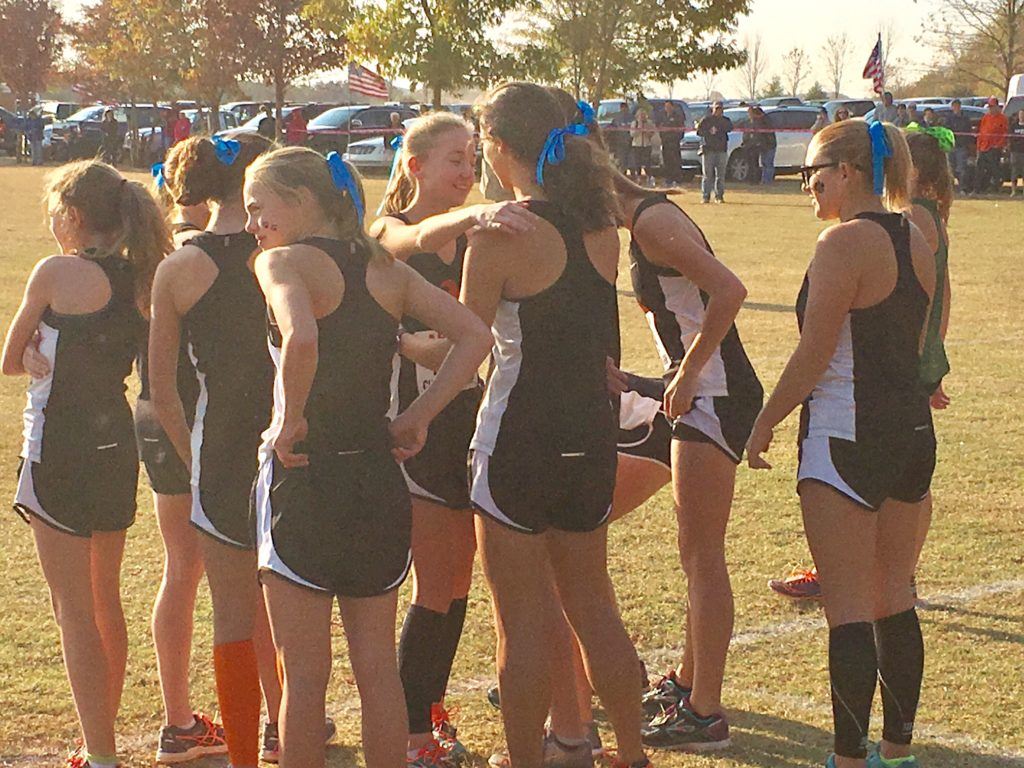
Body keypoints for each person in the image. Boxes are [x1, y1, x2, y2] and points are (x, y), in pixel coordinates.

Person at [243, 146, 492, 768]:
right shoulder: (384, 267)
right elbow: (474, 337)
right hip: (378, 479)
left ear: (301, 202)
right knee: (377, 670)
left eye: (258, 209)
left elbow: (301, 335)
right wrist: (417, 417)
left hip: (304, 477)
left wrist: (288, 418)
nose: (251, 225)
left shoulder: (280, 261)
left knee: (304, 678)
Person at [465, 81, 649, 768]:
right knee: (594, 608)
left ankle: (524, 760)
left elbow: (465, 342)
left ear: (500, 146)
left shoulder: (502, 233)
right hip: (589, 437)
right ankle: (632, 756)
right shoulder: (602, 228)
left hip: (518, 440)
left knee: (523, 627)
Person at [747, 120, 936, 768]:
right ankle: (897, 751)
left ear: (848, 172)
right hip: (911, 432)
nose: (808, 185)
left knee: (850, 605)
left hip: (846, 434)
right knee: (895, 596)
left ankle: (849, 759)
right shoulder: (919, 230)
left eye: (813, 174)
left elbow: (813, 353)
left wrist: (764, 418)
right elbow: (915, 339)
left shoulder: (842, 242)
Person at [370, 111, 538, 765]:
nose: (469, 173)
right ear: (414, 168)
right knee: (435, 583)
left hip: (469, 418)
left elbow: (480, 334)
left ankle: (431, 716)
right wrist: (470, 219)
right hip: (416, 428)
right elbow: (409, 254)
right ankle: (414, 737)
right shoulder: (391, 230)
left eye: (473, 159)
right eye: (454, 161)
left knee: (461, 581)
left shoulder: (480, 242)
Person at [2, 160, 168, 768]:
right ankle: (99, 738)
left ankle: (100, 753)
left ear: (72, 217)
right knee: (106, 600)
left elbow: (9, 360)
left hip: (60, 450)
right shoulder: (141, 274)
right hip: (115, 446)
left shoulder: (54, 271)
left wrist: (36, 358)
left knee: (74, 610)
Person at [149, 133, 292, 768]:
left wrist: (193, 457)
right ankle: (289, 736)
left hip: (223, 454)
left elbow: (162, 391)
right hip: (293, 444)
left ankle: (245, 756)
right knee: (296, 614)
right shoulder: (291, 256)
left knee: (233, 615)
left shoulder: (178, 266)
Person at [614, 168, 762, 750]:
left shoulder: (651, 220)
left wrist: (693, 371)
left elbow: (730, 291)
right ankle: (688, 681)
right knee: (693, 551)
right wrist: (637, 378)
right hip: (705, 390)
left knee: (702, 554)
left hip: (716, 396)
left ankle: (704, 713)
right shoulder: (645, 220)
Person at [696, 101, 732, 203]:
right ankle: (705, 196)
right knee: (707, 175)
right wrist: (708, 131)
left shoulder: (725, 120)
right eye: (716, 108)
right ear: (712, 109)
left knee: (720, 175)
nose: (718, 111)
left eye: (720, 109)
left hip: (721, 150)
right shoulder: (706, 120)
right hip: (708, 150)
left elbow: (730, 128)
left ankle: (719, 196)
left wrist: (719, 129)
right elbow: (699, 131)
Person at [976, 98, 1008, 193]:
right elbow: (981, 132)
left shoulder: (1003, 118)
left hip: (994, 148)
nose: (991, 109)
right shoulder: (986, 117)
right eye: (989, 107)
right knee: (979, 169)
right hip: (983, 147)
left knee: (994, 169)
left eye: (992, 106)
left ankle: (995, 188)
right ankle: (978, 188)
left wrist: (998, 145)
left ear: (997, 106)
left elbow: (1005, 134)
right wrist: (979, 146)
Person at [943, 99, 973, 194]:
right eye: (954, 106)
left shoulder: (965, 119)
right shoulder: (948, 119)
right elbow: (946, 131)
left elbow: (968, 132)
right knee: (950, 169)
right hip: (951, 146)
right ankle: (950, 189)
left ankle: (962, 188)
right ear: (952, 107)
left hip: (961, 147)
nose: (956, 108)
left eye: (958, 106)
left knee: (961, 169)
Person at [659, 101, 685, 183]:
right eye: (666, 107)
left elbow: (681, 129)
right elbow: (660, 128)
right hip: (665, 143)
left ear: (672, 107)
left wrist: (676, 138)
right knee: (667, 161)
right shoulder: (663, 116)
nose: (668, 108)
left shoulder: (677, 117)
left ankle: (677, 178)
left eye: (669, 106)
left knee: (675, 161)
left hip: (674, 143)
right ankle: (668, 178)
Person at [630, 108, 656, 185]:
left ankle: (649, 177)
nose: (642, 117)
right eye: (640, 115)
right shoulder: (634, 123)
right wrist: (639, 129)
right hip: (636, 145)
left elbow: (652, 133)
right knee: (637, 162)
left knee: (647, 162)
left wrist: (646, 131)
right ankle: (638, 178)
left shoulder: (649, 123)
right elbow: (632, 134)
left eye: (644, 115)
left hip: (646, 145)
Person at [753, 106, 776, 185]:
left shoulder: (767, 120)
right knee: (764, 163)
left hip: (770, 145)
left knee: (768, 163)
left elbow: (766, 133)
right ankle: (764, 180)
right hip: (763, 146)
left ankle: (768, 181)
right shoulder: (759, 121)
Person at [610, 102, 633, 172]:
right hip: (620, 143)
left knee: (631, 161)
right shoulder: (616, 118)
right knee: (622, 160)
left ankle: (633, 175)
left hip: (631, 142)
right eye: (622, 108)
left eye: (626, 108)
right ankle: (623, 174)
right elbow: (612, 129)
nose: (624, 110)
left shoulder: (631, 117)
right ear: (620, 108)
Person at [1008, 109, 1024, 196]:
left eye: (1023, 114)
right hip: (1015, 152)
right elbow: (1011, 139)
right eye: (1020, 114)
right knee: (1014, 171)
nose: (1022, 116)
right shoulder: (1014, 126)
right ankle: (1013, 191)